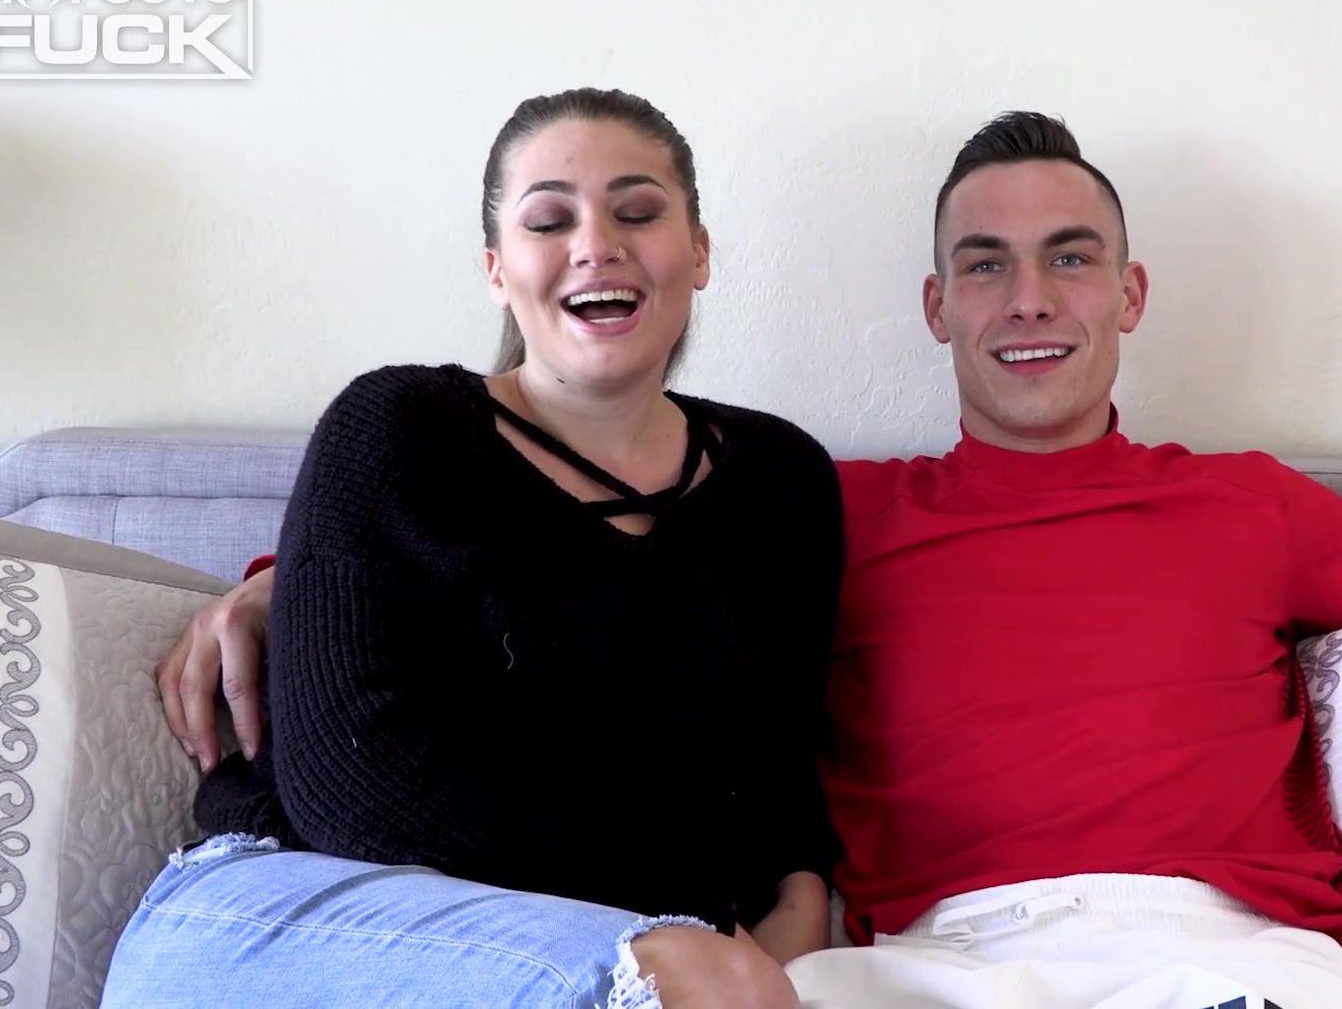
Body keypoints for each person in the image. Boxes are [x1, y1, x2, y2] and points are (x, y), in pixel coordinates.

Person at [156, 111, 1342, 1009]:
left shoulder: (1251, 509)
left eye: (1069, 257)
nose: (1027, 297)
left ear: (1129, 294)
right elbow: (539, 553)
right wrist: (282, 577)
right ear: (935, 307)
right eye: (984, 263)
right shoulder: (817, 508)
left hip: (1218, 957)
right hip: (923, 967)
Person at [105, 88, 845, 1009]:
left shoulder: (782, 477)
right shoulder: (397, 428)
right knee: (700, 981)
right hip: (298, 906)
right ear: (498, 269)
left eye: (637, 212)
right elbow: (348, 786)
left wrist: (797, 903)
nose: (596, 244)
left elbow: (775, 769)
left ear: (698, 252)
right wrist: (695, 911)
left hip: (619, 938)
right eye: (549, 221)